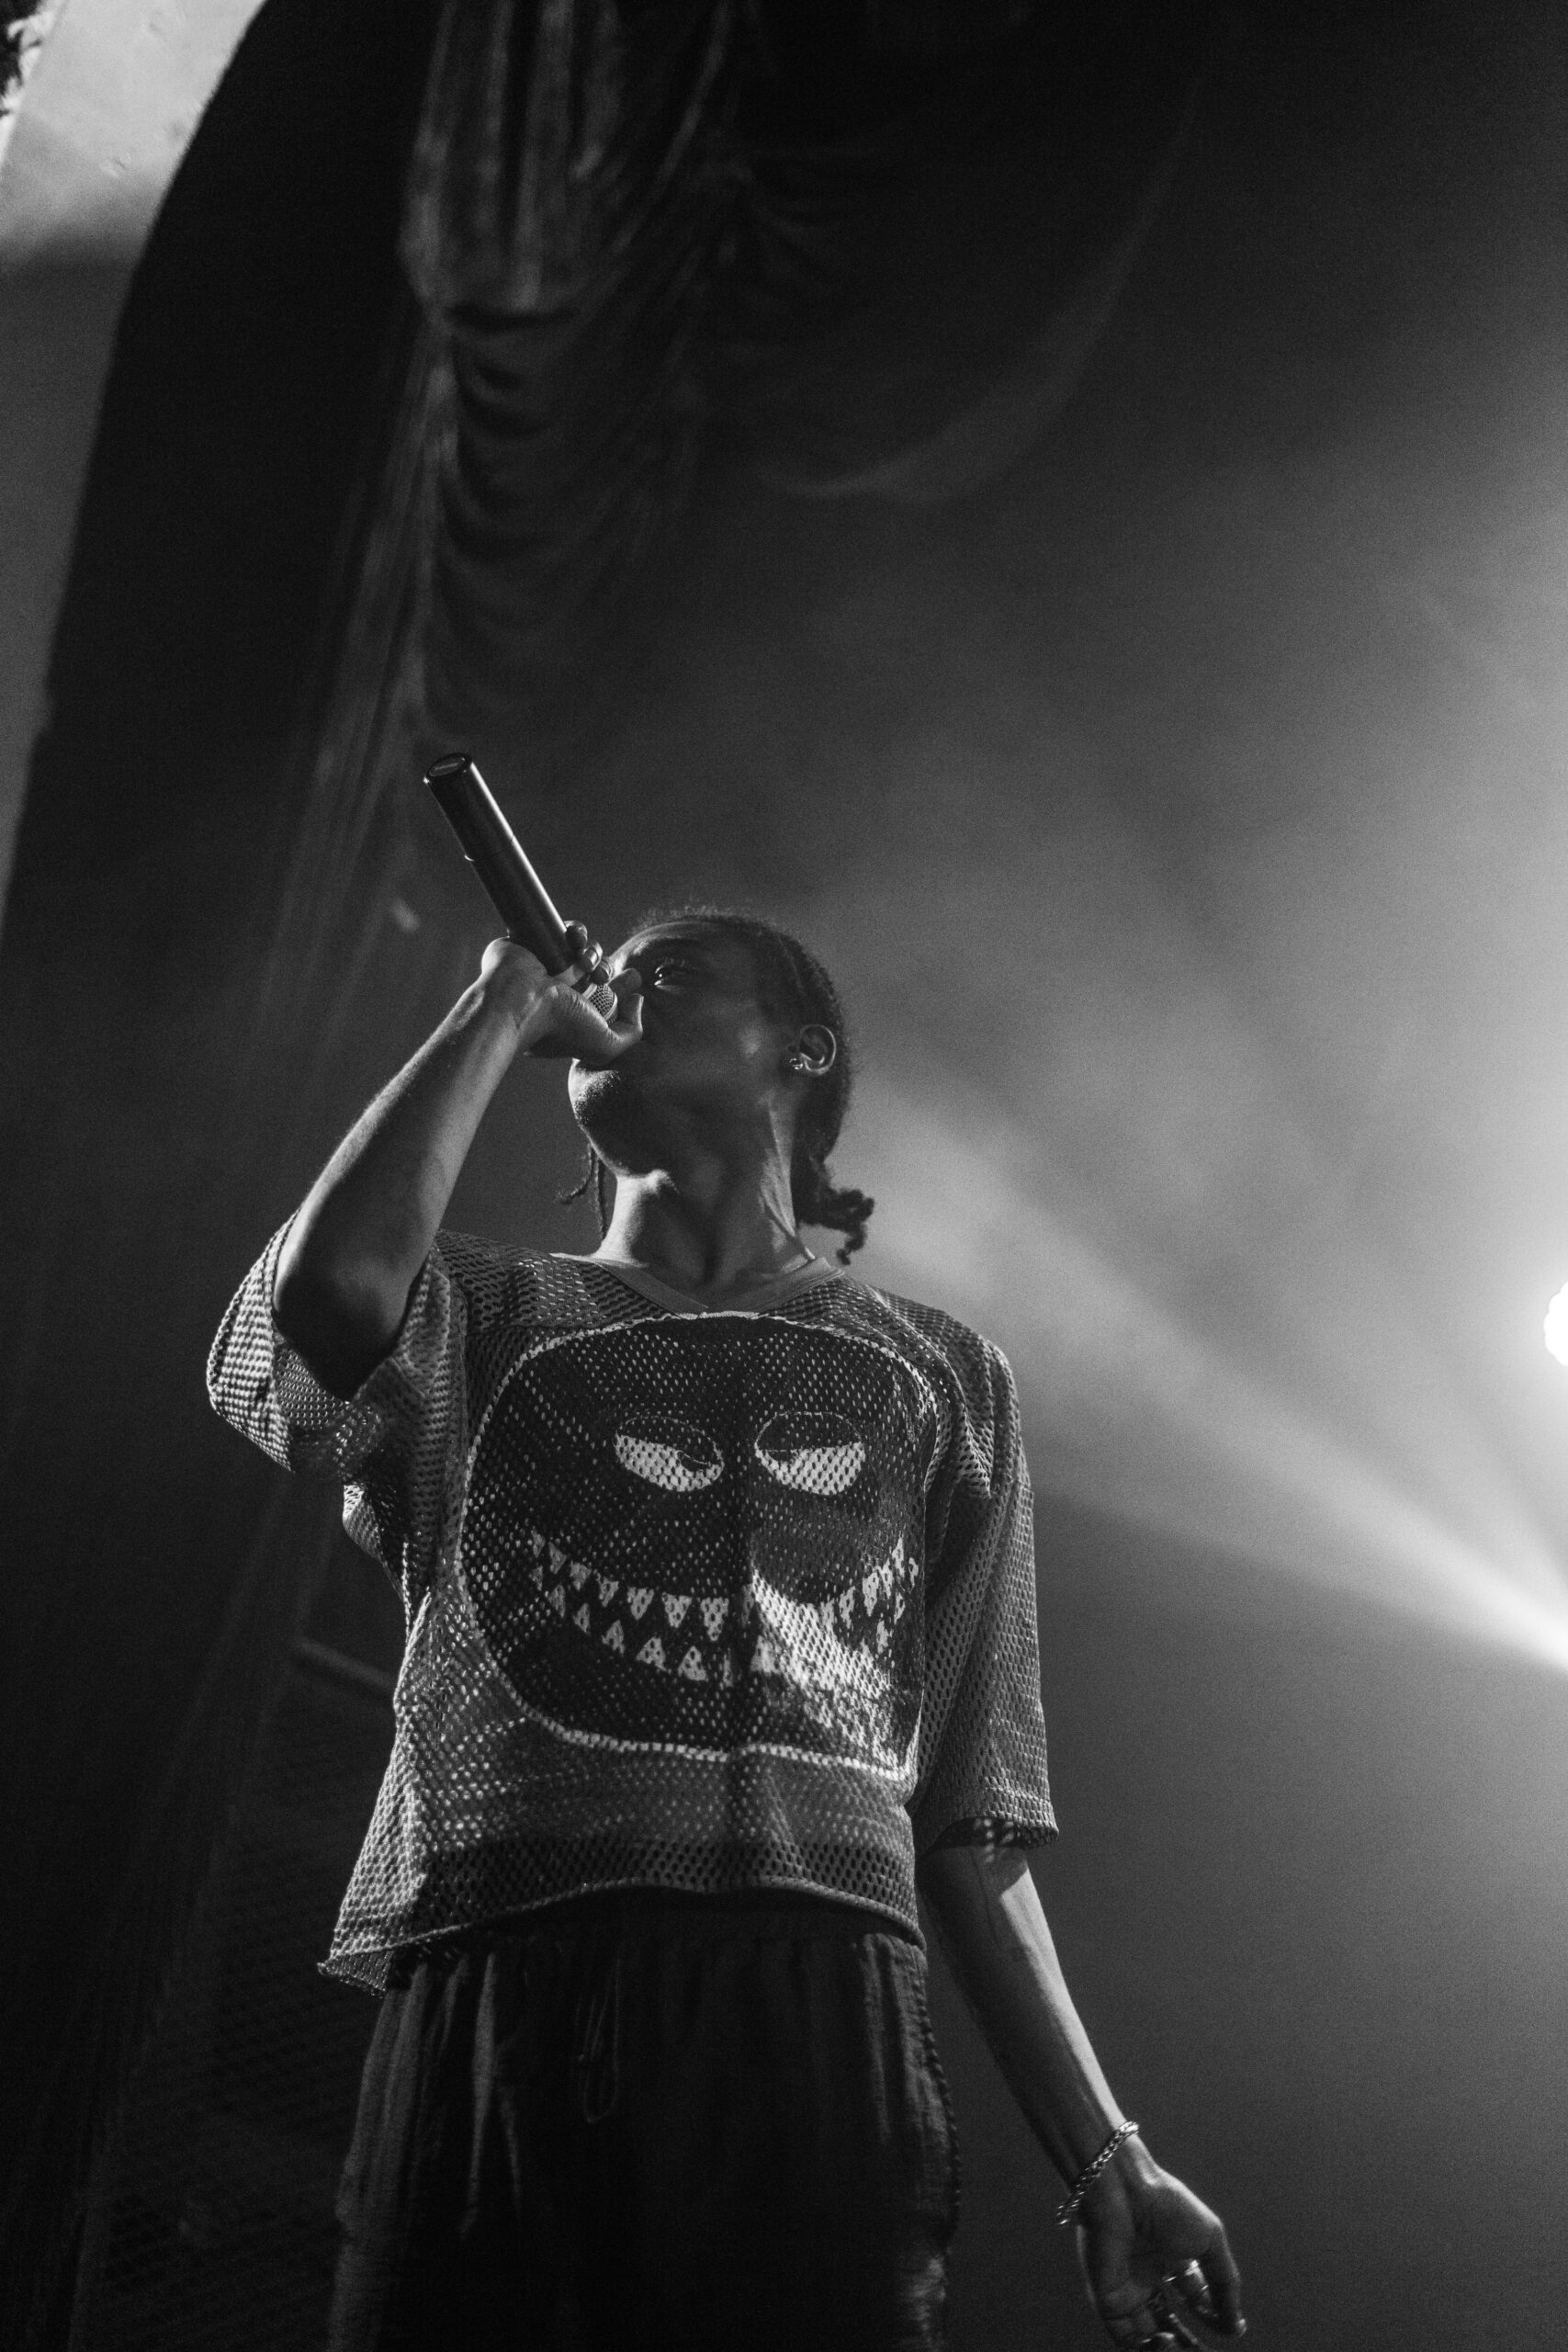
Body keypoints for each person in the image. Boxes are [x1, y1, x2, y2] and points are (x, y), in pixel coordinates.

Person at [208, 906, 1245, 2352]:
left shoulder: (944, 1375)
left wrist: (1106, 2157)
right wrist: (498, 1001)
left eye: (673, 976)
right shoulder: (489, 1310)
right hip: (506, 1978)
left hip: (822, 2007)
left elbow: (972, 1818)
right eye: (608, 979)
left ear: (801, 1051)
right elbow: (329, 1297)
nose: (618, 992)